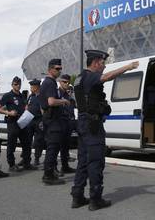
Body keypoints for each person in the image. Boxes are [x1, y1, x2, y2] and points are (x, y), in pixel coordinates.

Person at [71, 50, 139, 211]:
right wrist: (127, 67)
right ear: (95, 62)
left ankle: (77, 196)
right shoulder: (90, 76)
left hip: (82, 123)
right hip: (92, 125)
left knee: (83, 161)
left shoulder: (79, 78)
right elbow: (106, 77)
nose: (104, 66)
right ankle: (95, 199)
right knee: (95, 162)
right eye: (102, 63)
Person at [39, 58, 70, 185]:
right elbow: (51, 102)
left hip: (49, 119)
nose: (59, 71)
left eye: (60, 68)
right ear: (50, 69)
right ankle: (48, 175)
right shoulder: (50, 83)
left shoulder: (47, 83)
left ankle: (49, 173)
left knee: (52, 148)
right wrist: (64, 101)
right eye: (57, 68)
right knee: (52, 148)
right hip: (53, 121)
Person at [0, 76, 36, 171]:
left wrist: (26, 109)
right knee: (11, 144)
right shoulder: (7, 95)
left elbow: (25, 105)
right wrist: (8, 113)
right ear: (12, 85)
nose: (17, 86)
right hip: (13, 123)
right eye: (15, 84)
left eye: (19, 84)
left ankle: (26, 163)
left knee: (27, 144)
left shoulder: (22, 96)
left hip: (23, 122)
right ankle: (12, 165)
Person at [57, 74, 76, 174]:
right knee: (56, 147)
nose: (67, 84)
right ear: (60, 82)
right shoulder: (57, 93)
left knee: (65, 146)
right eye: (64, 82)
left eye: (68, 82)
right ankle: (54, 169)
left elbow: (71, 108)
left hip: (67, 123)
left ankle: (65, 166)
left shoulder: (67, 95)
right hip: (59, 123)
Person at [26, 79, 45, 166]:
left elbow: (43, 110)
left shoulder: (41, 97)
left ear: (37, 87)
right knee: (27, 140)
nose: (31, 88)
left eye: (32, 86)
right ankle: (26, 158)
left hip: (38, 121)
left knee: (38, 141)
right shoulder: (31, 96)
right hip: (29, 121)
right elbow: (27, 106)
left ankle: (37, 158)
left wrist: (43, 121)